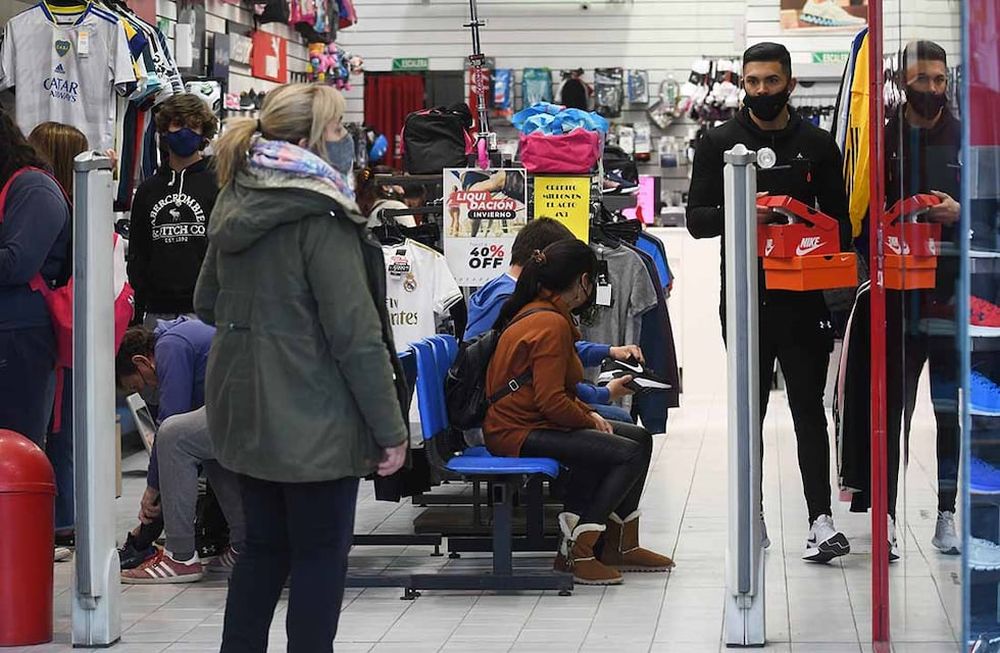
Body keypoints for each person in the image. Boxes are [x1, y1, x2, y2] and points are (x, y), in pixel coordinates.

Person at [194, 83, 409, 652]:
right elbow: (357, 339)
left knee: (261, 548)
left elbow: (207, 302)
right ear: (312, 140)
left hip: (244, 408)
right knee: (319, 557)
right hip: (315, 414)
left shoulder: (234, 199)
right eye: (339, 130)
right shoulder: (322, 214)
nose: (346, 140)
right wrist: (390, 431)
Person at [687, 42, 852, 562]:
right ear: (742, 83)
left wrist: (811, 233)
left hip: (804, 301)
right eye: (753, 82)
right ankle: (750, 513)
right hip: (744, 296)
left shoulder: (820, 145)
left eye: (771, 81)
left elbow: (842, 224)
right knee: (748, 413)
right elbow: (697, 221)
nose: (761, 90)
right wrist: (746, 212)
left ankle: (820, 520)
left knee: (810, 410)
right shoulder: (718, 143)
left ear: (790, 84)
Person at [484, 239, 674, 585]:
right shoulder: (549, 324)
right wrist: (589, 417)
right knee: (625, 450)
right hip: (516, 432)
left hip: (527, 421)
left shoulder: (543, 313)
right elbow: (550, 401)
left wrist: (587, 413)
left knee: (639, 438)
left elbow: (549, 395)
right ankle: (579, 549)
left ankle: (619, 544)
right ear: (584, 281)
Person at [883, 40, 962, 558]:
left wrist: (964, 212)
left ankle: (946, 514)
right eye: (921, 78)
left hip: (953, 294)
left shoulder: (967, 137)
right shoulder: (884, 138)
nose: (931, 88)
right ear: (901, 78)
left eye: (938, 79)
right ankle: (886, 514)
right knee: (893, 410)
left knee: (949, 409)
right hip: (897, 291)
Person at [465, 217, 643, 423]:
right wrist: (602, 395)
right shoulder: (517, 303)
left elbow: (553, 353)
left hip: (499, 406)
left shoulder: (498, 290)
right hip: (500, 414)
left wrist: (608, 352)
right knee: (621, 423)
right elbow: (546, 382)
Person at [114, 318, 245, 583]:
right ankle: (246, 545)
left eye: (137, 386)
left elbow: (168, 426)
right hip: (252, 401)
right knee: (201, 444)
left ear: (141, 362)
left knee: (177, 436)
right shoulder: (180, 337)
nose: (147, 392)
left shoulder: (171, 346)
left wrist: (152, 490)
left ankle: (180, 556)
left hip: (251, 404)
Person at [26, 121, 88, 548]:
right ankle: (64, 519)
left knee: (55, 427)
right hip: (70, 327)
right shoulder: (76, 205)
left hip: (48, 324)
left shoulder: (43, 201)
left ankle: (60, 520)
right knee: (63, 428)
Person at [0, 110, 70, 449]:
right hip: (13, 331)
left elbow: (18, 262)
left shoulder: (33, 187)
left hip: (19, 337)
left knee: (18, 449)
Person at [127, 93, 219, 330]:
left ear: (203, 133)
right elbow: (138, 252)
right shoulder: (148, 190)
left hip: (207, 311)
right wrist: (139, 310)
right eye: (178, 123)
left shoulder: (219, 183)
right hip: (157, 311)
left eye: (194, 126)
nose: (185, 132)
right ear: (165, 129)